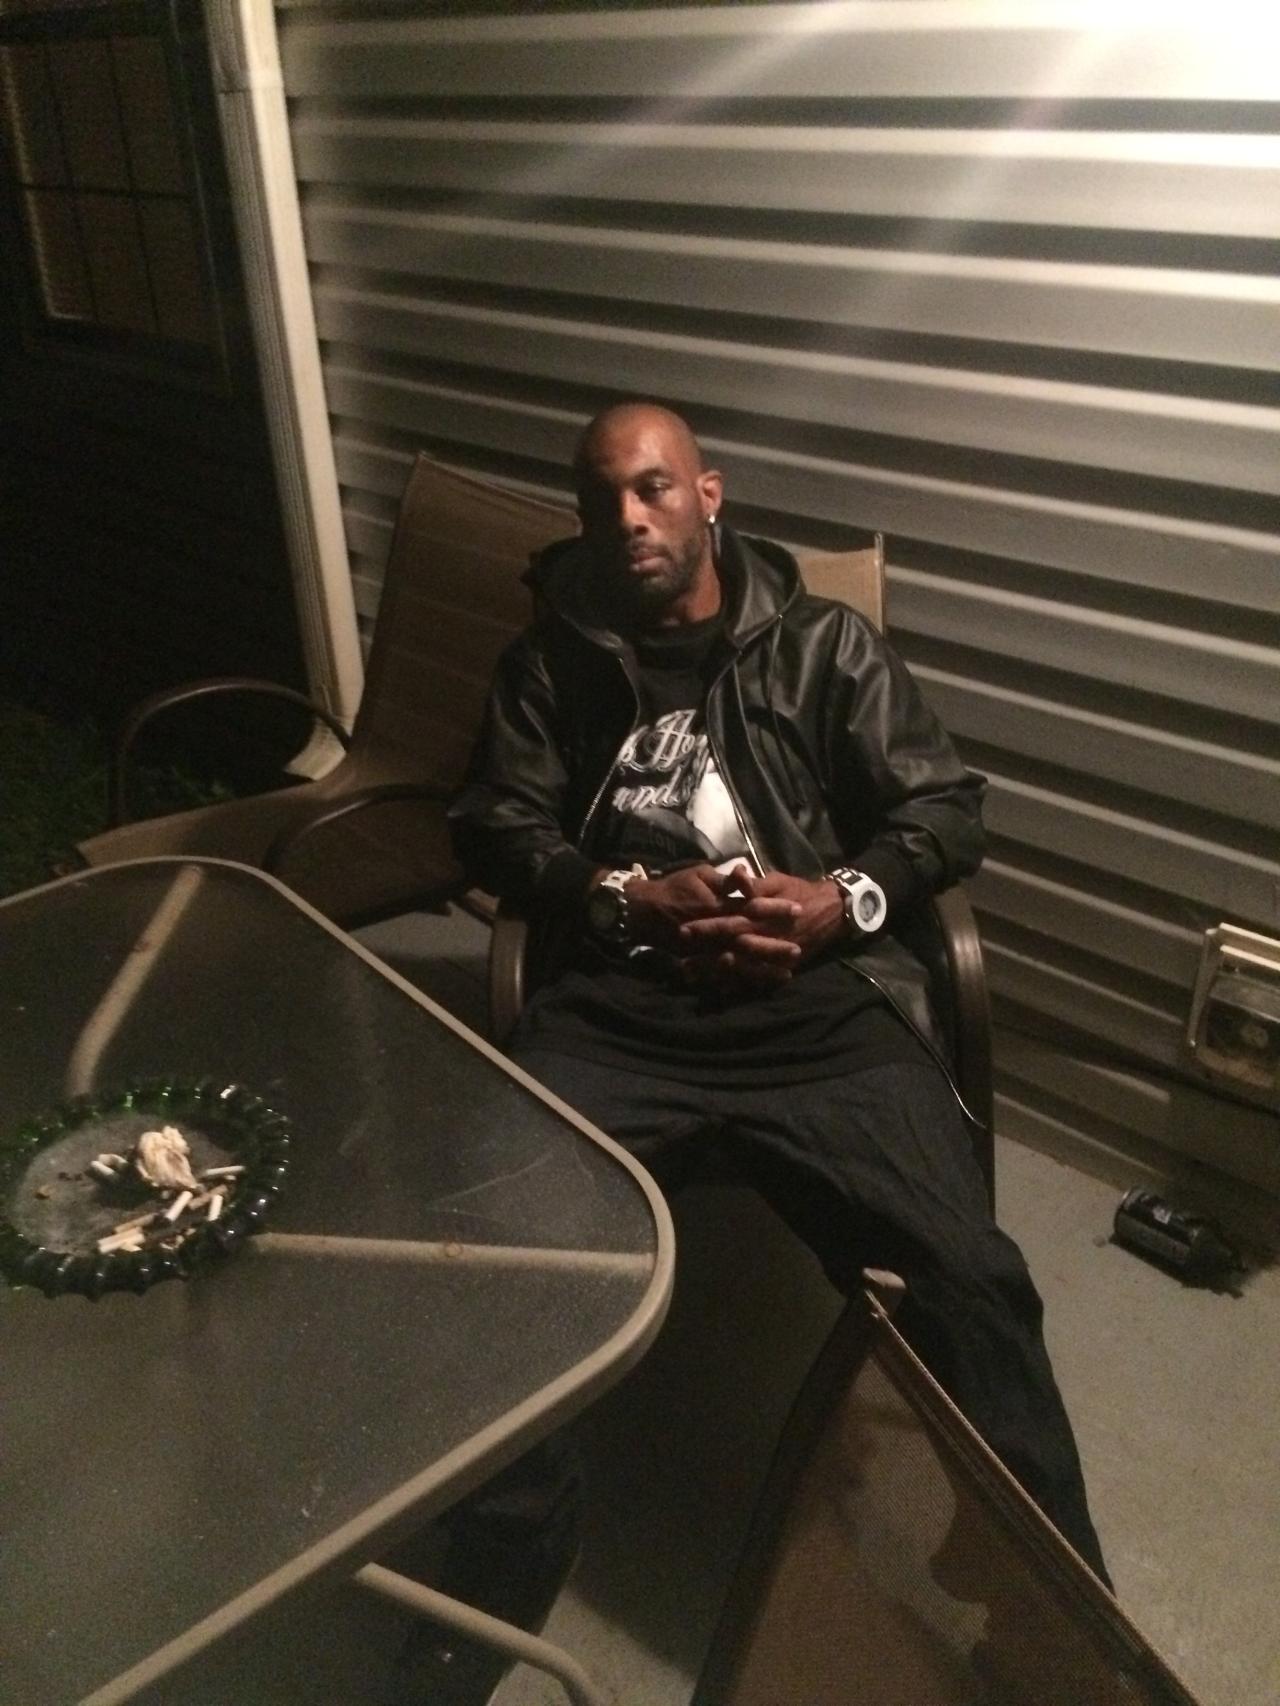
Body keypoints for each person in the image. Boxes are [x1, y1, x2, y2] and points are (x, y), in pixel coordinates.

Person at [392, 401, 1109, 1703]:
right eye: (601, 498)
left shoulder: (825, 647)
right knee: (490, 1257)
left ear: (708, 494)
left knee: (973, 1275)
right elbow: (495, 825)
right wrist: (620, 898)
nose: (627, 518)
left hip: (816, 1014)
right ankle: (504, 1562)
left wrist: (844, 901)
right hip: (618, 1013)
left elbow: (944, 808)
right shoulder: (548, 665)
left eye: (653, 488)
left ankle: (1050, 1623)